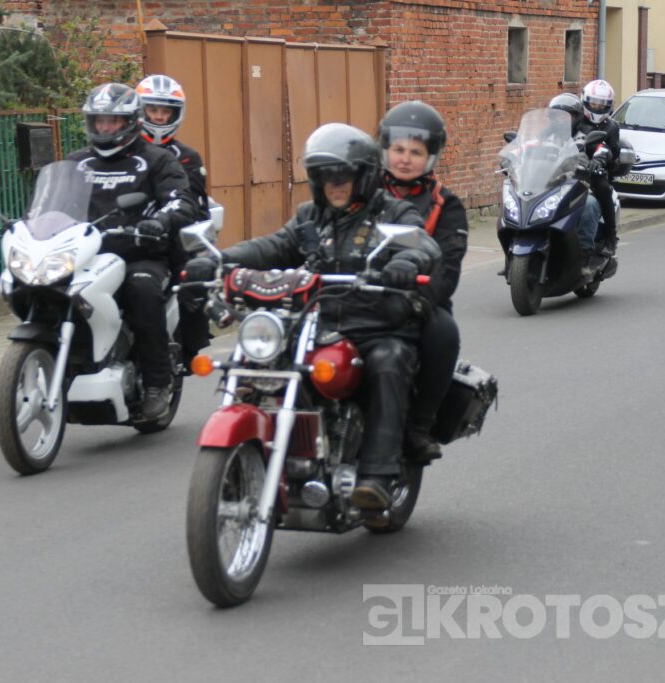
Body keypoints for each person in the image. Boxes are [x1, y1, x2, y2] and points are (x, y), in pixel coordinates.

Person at [186, 123, 441, 509]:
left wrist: (406, 261)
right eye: (325, 177)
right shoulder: (311, 216)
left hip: (375, 322)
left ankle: (378, 474)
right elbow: (274, 245)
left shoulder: (393, 211)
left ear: (363, 177)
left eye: (343, 176)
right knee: (260, 361)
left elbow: (421, 242)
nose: (334, 185)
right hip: (315, 320)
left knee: (389, 361)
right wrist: (221, 259)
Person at [66, 82, 197, 420]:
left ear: (130, 122)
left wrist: (160, 221)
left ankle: (157, 382)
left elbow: (182, 201)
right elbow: (53, 207)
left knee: (142, 290)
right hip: (87, 255)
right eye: (99, 121)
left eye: (113, 121)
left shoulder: (157, 159)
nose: (105, 128)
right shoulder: (77, 163)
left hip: (141, 253)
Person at [378, 100, 467, 463]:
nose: (405, 159)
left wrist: (417, 299)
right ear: (385, 149)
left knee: (444, 333)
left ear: (431, 157)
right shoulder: (361, 193)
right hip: (358, 294)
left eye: (415, 152)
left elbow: (447, 270)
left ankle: (418, 425)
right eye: (398, 149)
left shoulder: (446, 205)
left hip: (418, 301)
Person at [136, 74, 212, 370]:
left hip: (171, 236)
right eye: (152, 109)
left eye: (165, 111)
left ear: (175, 114)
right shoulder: (124, 152)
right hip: (127, 234)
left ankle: (190, 348)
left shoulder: (187, 157)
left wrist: (167, 224)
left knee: (192, 275)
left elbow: (196, 207)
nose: (158, 116)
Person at [549, 92, 604, 269]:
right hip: (545, 187)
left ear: (577, 118)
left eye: (566, 117)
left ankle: (584, 256)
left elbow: (601, 149)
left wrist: (597, 160)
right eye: (557, 117)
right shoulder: (543, 137)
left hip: (575, 186)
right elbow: (524, 148)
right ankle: (513, 253)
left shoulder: (585, 137)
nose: (561, 121)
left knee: (590, 205)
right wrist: (512, 159)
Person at [578, 79, 622, 256]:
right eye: (594, 103)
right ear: (584, 100)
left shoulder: (611, 127)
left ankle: (611, 238)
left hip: (595, 171)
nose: (597, 107)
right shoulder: (576, 120)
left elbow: (611, 149)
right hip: (569, 166)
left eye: (602, 105)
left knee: (603, 189)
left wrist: (600, 159)